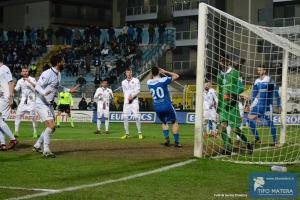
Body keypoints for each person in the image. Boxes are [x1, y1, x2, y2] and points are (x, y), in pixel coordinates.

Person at [33, 54, 78, 158]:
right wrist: (44, 92)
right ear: (58, 63)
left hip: (49, 104)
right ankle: (46, 151)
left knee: (52, 128)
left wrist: (69, 90)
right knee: (51, 126)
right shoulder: (48, 73)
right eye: (63, 61)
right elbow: (37, 85)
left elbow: (57, 86)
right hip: (41, 103)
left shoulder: (58, 74)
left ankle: (37, 145)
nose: (64, 63)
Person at [217, 56, 253, 155]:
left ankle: (247, 143)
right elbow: (220, 91)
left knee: (234, 129)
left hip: (232, 105)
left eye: (222, 62)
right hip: (223, 106)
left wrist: (232, 95)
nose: (221, 64)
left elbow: (241, 87)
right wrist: (218, 106)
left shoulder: (235, 73)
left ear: (227, 62)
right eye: (220, 62)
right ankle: (227, 148)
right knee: (223, 126)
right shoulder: (219, 75)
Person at [147, 67, 182, 147]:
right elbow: (176, 76)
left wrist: (152, 73)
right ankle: (176, 142)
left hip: (157, 106)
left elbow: (150, 77)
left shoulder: (149, 82)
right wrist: (165, 71)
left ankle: (167, 141)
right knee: (174, 122)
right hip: (166, 105)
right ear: (159, 72)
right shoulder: (164, 80)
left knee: (164, 122)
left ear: (152, 73)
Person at [248, 65, 281, 147]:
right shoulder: (257, 81)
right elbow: (254, 94)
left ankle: (275, 142)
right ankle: (257, 139)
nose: (259, 72)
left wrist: (279, 105)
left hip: (267, 105)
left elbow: (276, 93)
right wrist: (251, 104)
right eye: (258, 70)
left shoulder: (269, 80)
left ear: (264, 71)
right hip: (259, 105)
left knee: (270, 123)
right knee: (249, 119)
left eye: (260, 70)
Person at [0, 53, 18, 151]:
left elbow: (11, 82)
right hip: (1, 97)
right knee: (0, 121)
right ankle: (2, 144)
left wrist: (11, 97)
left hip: (5, 98)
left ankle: (13, 139)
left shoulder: (5, 68)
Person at [14, 67, 37, 138]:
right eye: (23, 71)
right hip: (23, 101)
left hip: (31, 100)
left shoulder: (32, 79)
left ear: (28, 72)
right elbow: (16, 90)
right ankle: (16, 132)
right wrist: (12, 87)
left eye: (26, 71)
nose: (25, 72)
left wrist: (29, 81)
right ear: (21, 73)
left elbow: (36, 87)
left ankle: (35, 132)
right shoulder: (19, 81)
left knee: (33, 117)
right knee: (18, 115)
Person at [121, 68, 143, 139]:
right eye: (127, 72)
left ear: (131, 72)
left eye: (130, 72)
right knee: (125, 117)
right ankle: (127, 134)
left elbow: (138, 90)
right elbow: (124, 92)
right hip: (126, 102)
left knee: (137, 117)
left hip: (134, 101)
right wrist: (127, 98)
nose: (129, 73)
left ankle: (139, 133)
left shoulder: (136, 80)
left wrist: (132, 96)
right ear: (126, 73)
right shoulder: (123, 82)